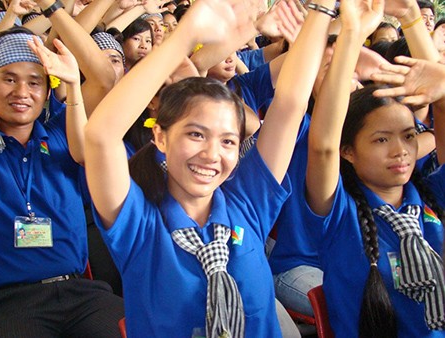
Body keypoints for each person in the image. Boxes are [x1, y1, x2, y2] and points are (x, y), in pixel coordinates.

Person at [83, 0, 334, 336]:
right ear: (160, 137)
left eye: (228, 141)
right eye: (196, 134)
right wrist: (183, 37)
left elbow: (290, 103)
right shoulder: (139, 225)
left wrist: (322, 8)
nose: (212, 154)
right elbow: (101, 135)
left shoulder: (247, 203)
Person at [302, 0, 444, 334]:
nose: (401, 151)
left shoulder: (431, 196)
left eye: (409, 136)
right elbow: (323, 145)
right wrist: (351, 34)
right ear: (348, 151)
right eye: (381, 140)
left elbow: (437, 99)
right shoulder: (339, 213)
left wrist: (410, 17)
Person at [0, 28, 124, 337]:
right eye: (9, 79)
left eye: (35, 82)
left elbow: (104, 78)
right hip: (9, 301)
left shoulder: (60, 134)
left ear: (48, 92)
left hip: (80, 292)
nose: (22, 92)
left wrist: (73, 82)